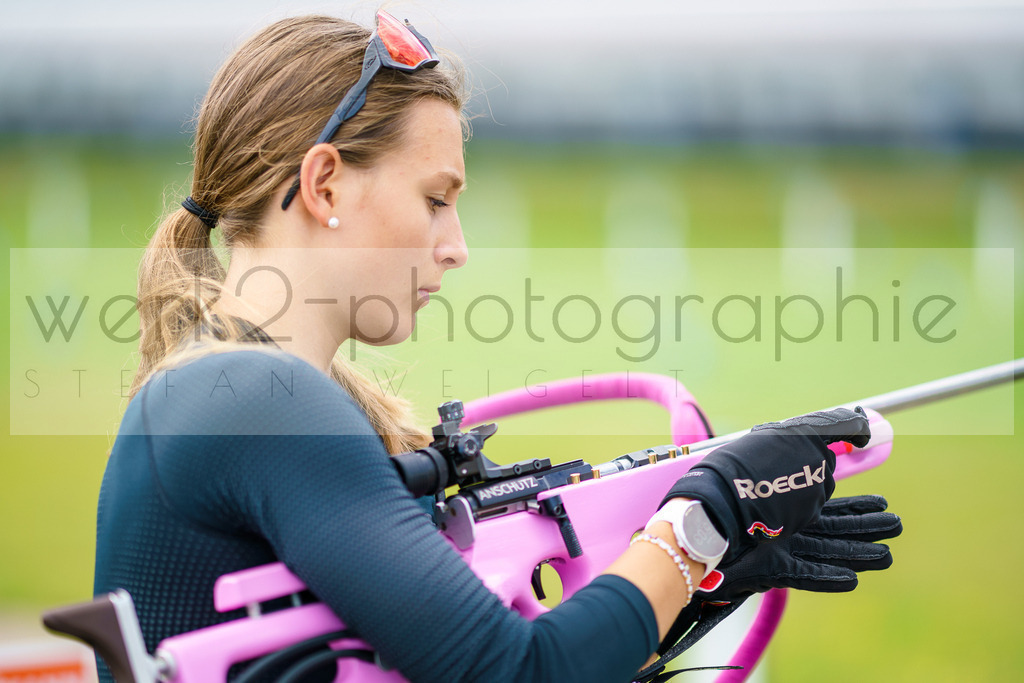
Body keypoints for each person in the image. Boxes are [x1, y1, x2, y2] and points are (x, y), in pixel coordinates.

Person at [93, 10, 901, 683]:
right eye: (436, 199)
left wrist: (694, 589)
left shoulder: (236, 389)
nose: (456, 246)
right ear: (325, 184)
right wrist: (697, 526)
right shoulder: (260, 400)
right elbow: (518, 672)